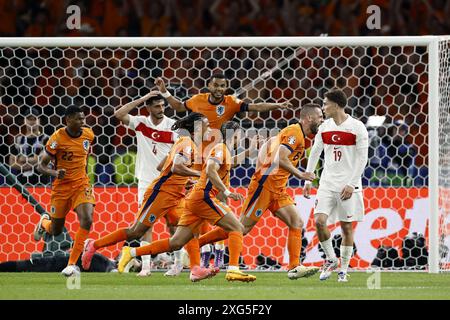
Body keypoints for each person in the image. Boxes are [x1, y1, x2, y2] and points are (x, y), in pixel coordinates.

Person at [155, 72, 289, 266]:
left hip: (220, 157)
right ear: (209, 85)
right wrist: (165, 92)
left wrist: (276, 105)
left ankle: (216, 256)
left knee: (220, 207)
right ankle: (197, 255)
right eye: (216, 85)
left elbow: (255, 107)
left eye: (222, 86)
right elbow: (177, 106)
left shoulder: (231, 102)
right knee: (199, 209)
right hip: (199, 160)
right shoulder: (197, 100)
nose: (219, 89)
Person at [117, 121, 257, 283]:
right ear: (235, 135)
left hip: (194, 199)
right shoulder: (220, 149)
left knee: (176, 242)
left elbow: (228, 163)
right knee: (237, 227)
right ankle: (233, 269)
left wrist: (249, 152)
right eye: (240, 135)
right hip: (203, 196)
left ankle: (132, 253)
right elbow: (211, 169)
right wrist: (227, 192)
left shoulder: (223, 151)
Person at [197, 104, 322, 279]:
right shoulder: (294, 133)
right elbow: (280, 158)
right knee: (241, 228)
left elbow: (269, 147)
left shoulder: (297, 134)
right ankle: (197, 243)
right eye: (320, 117)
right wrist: (301, 174)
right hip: (264, 187)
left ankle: (294, 267)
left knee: (297, 222)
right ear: (309, 118)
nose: (322, 120)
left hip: (278, 189)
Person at [81, 112, 211, 280]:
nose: (210, 128)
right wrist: (198, 175)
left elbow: (161, 166)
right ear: (196, 129)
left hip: (176, 195)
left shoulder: (185, 143)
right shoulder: (187, 143)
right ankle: (93, 245)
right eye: (206, 125)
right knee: (136, 231)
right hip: (161, 194)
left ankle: (195, 269)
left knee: (189, 230)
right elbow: (176, 167)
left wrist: (184, 181)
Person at [114, 90, 184, 277]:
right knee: (145, 224)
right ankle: (146, 266)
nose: (161, 109)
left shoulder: (173, 126)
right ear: (148, 107)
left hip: (168, 182)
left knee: (174, 223)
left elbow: (179, 152)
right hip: (146, 180)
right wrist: (143, 97)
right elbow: (119, 114)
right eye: (156, 106)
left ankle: (177, 264)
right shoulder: (140, 123)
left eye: (163, 105)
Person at [303, 89, 369, 282]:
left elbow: (362, 158)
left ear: (337, 105)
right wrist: (308, 179)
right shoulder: (324, 127)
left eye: (325, 104)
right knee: (319, 221)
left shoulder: (357, 127)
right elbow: (314, 153)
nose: (323, 108)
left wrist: (351, 183)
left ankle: (344, 270)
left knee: (346, 227)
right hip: (327, 183)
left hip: (348, 186)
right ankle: (331, 259)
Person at [33, 105, 96, 277]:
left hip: (81, 184)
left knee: (87, 219)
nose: (82, 122)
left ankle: (72, 264)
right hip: (61, 189)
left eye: (83, 118)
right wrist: (55, 173)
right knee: (56, 230)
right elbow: (41, 166)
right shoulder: (57, 138)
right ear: (68, 120)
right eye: (78, 119)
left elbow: (85, 154)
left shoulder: (89, 135)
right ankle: (44, 223)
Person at [8, 107, 49, 185]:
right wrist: (27, 165)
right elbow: (11, 163)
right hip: (21, 183)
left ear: (39, 120)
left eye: (34, 119)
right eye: (29, 119)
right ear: (24, 121)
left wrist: (22, 159)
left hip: (41, 183)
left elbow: (45, 160)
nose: (32, 121)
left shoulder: (46, 139)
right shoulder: (18, 140)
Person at [0, 253, 116, 273]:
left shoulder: (104, 263)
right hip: (61, 262)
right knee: (30, 265)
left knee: (30, 265)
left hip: (58, 263)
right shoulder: (103, 261)